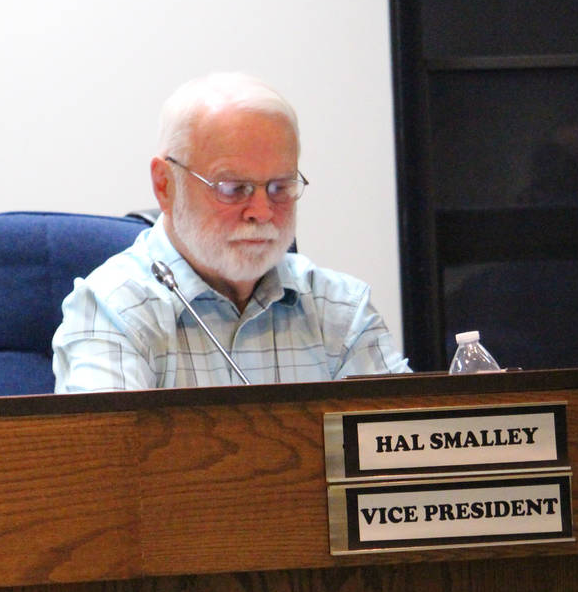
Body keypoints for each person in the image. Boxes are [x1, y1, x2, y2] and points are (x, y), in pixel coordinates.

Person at [53, 72, 409, 392]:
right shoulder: (113, 309)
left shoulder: (341, 310)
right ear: (165, 186)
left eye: (280, 188)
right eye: (232, 188)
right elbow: (109, 463)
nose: (261, 212)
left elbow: (410, 455)